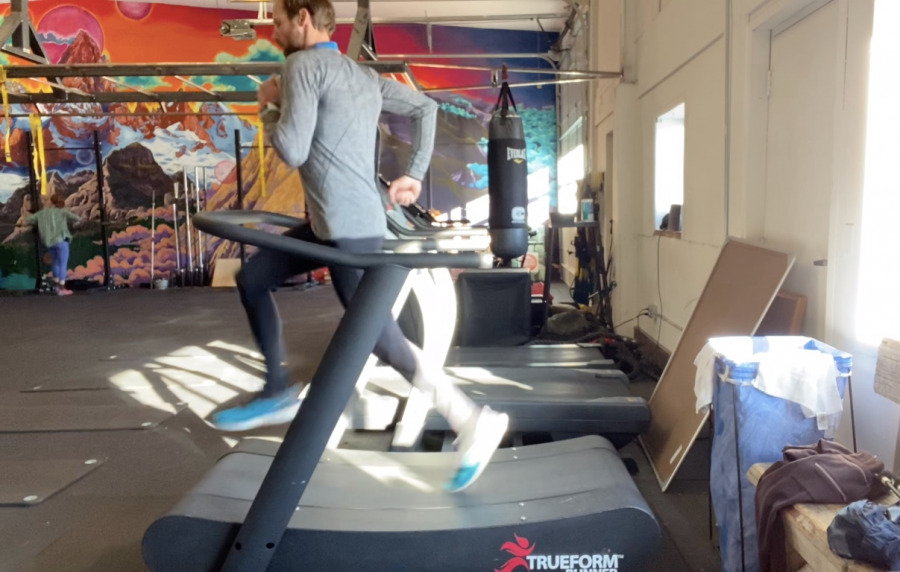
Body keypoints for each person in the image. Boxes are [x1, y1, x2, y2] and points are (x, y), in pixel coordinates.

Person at [210, 0, 509, 492]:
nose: (275, 32)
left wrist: (268, 104)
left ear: (303, 18)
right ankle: (277, 392)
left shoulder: (300, 67)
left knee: (382, 339)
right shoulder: (362, 76)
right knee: (254, 277)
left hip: (347, 228)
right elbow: (426, 107)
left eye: (279, 22)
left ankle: (472, 419)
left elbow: (292, 149)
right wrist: (413, 175)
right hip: (333, 223)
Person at [27, 193, 79, 296]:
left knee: (55, 263)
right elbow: (77, 218)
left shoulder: (42, 213)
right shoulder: (63, 211)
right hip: (61, 240)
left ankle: (56, 287)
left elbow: (28, 220)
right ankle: (62, 288)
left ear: (51, 201)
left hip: (49, 242)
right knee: (63, 264)